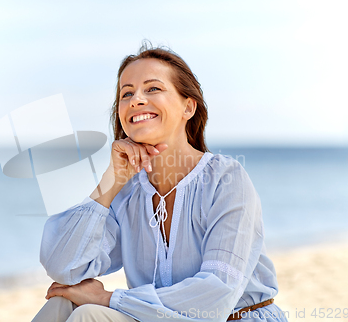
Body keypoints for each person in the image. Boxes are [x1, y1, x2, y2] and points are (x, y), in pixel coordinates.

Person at [31, 42, 289, 322]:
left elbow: (216, 295)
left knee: (90, 315)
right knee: (62, 304)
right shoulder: (126, 193)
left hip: (234, 318)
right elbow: (64, 268)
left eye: (152, 88)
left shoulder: (225, 180)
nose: (136, 99)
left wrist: (107, 298)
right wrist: (110, 184)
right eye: (126, 93)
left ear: (188, 107)